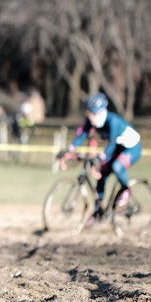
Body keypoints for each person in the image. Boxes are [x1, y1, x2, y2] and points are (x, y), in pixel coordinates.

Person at [58, 92, 142, 228]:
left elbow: (112, 144)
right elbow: (82, 136)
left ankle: (126, 190)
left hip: (132, 148)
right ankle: (98, 212)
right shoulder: (92, 121)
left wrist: (100, 156)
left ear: (101, 111)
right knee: (101, 176)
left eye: (93, 113)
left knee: (116, 166)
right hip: (117, 148)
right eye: (88, 113)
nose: (90, 116)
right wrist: (69, 149)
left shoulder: (112, 121)